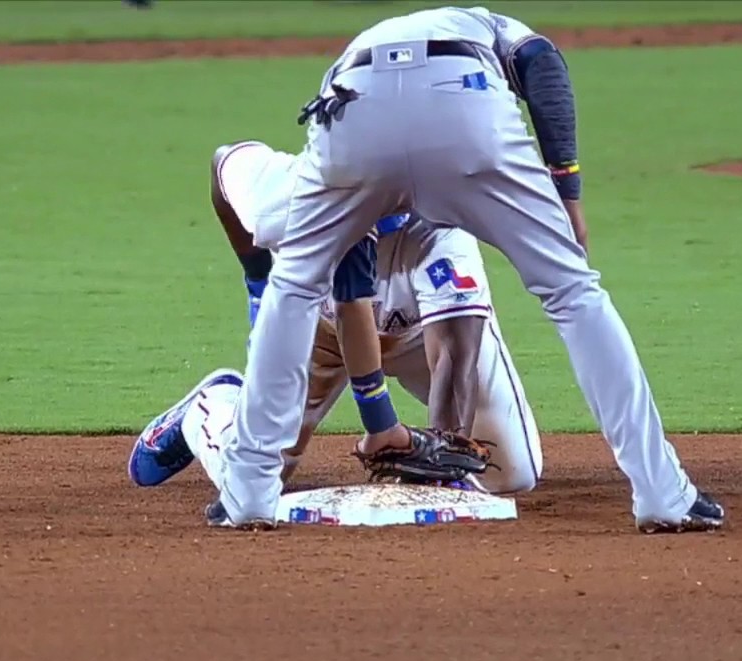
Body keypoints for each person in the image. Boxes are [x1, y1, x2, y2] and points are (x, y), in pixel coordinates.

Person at [212, 6, 725, 533]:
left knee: (291, 290)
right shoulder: (490, 24)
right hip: (462, 101)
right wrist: (567, 190)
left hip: (353, 108)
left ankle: (248, 492)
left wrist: (258, 281)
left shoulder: (368, 56)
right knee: (573, 293)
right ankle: (662, 493)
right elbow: (542, 63)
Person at [127, 140, 543, 497]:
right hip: (317, 332)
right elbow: (223, 168)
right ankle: (212, 408)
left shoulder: (442, 228)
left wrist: (443, 454)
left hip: (421, 338)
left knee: (514, 474)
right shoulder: (285, 196)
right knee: (252, 480)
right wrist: (257, 282)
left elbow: (454, 354)